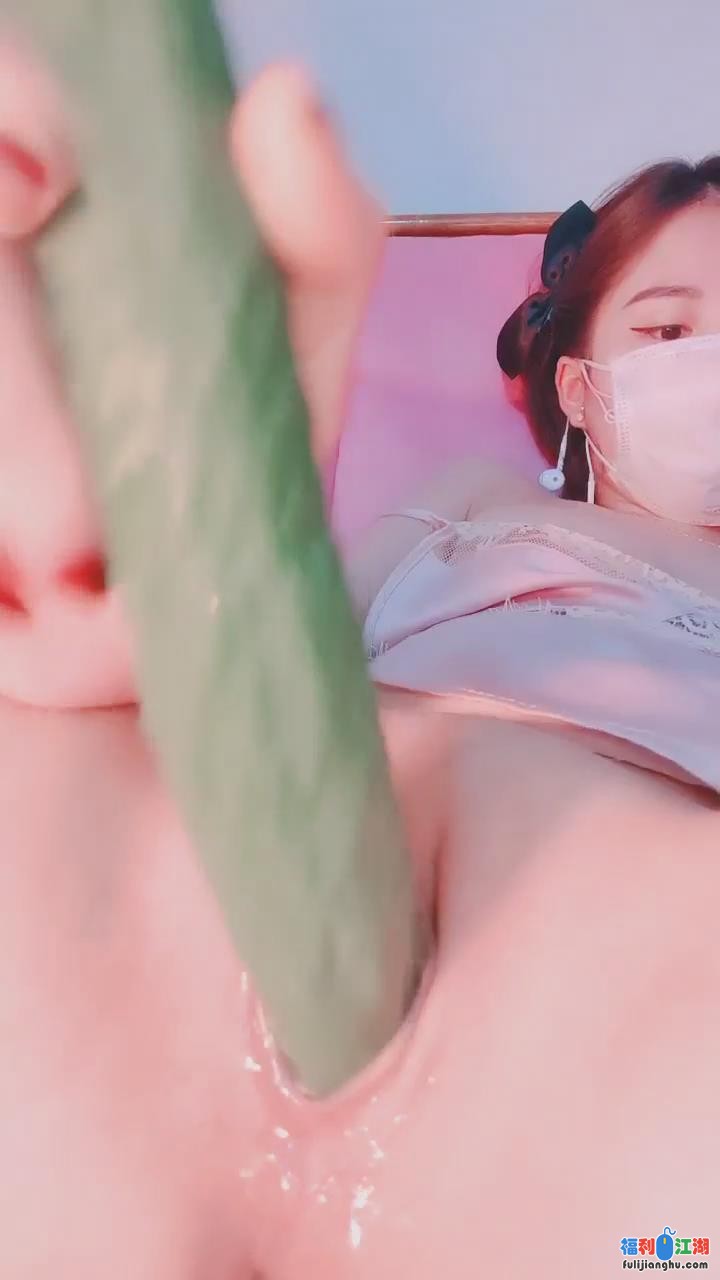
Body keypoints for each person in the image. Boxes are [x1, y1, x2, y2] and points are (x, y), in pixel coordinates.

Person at [0, 33, 718, 1280]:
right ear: (582, 383)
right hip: (227, 918)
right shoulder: (472, 501)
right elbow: (292, 626)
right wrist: (164, 585)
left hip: (623, 1076)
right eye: (670, 328)